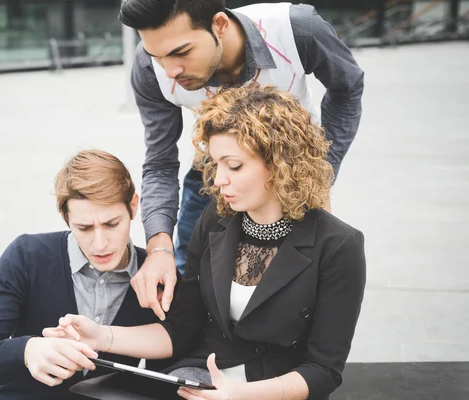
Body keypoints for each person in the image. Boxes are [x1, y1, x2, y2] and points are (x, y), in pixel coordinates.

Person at [45, 84, 367, 400]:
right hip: (196, 379)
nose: (219, 179)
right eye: (216, 164)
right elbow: (182, 329)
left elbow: (324, 370)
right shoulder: (216, 218)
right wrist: (102, 336)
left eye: (234, 165)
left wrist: (241, 395)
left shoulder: (338, 245)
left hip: (273, 391)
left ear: (279, 162)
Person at [120, 0, 365, 320]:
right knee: (185, 291)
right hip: (211, 174)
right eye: (157, 56)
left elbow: (347, 87)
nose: (170, 70)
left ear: (220, 25)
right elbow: (160, 162)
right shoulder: (148, 68)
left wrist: (318, 174)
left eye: (181, 52)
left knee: (295, 294)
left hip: (291, 173)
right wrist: (158, 248)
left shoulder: (296, 30)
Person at [0, 150, 163, 399]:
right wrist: (27, 351)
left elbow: (170, 375)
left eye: (111, 224)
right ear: (65, 217)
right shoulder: (26, 256)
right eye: (84, 228)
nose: (99, 244)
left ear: (133, 206)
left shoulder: (156, 276)